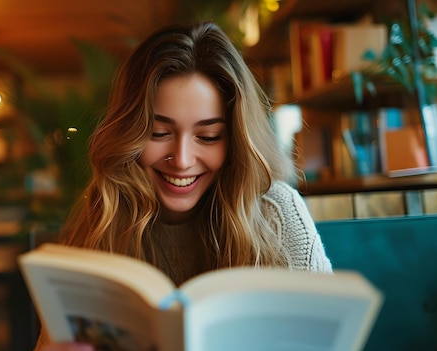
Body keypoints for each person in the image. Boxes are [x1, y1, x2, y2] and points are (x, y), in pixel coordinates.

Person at [35, 21, 332, 351]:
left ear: (234, 140)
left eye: (208, 137)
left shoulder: (276, 213)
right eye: (159, 133)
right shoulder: (102, 219)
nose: (182, 159)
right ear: (130, 134)